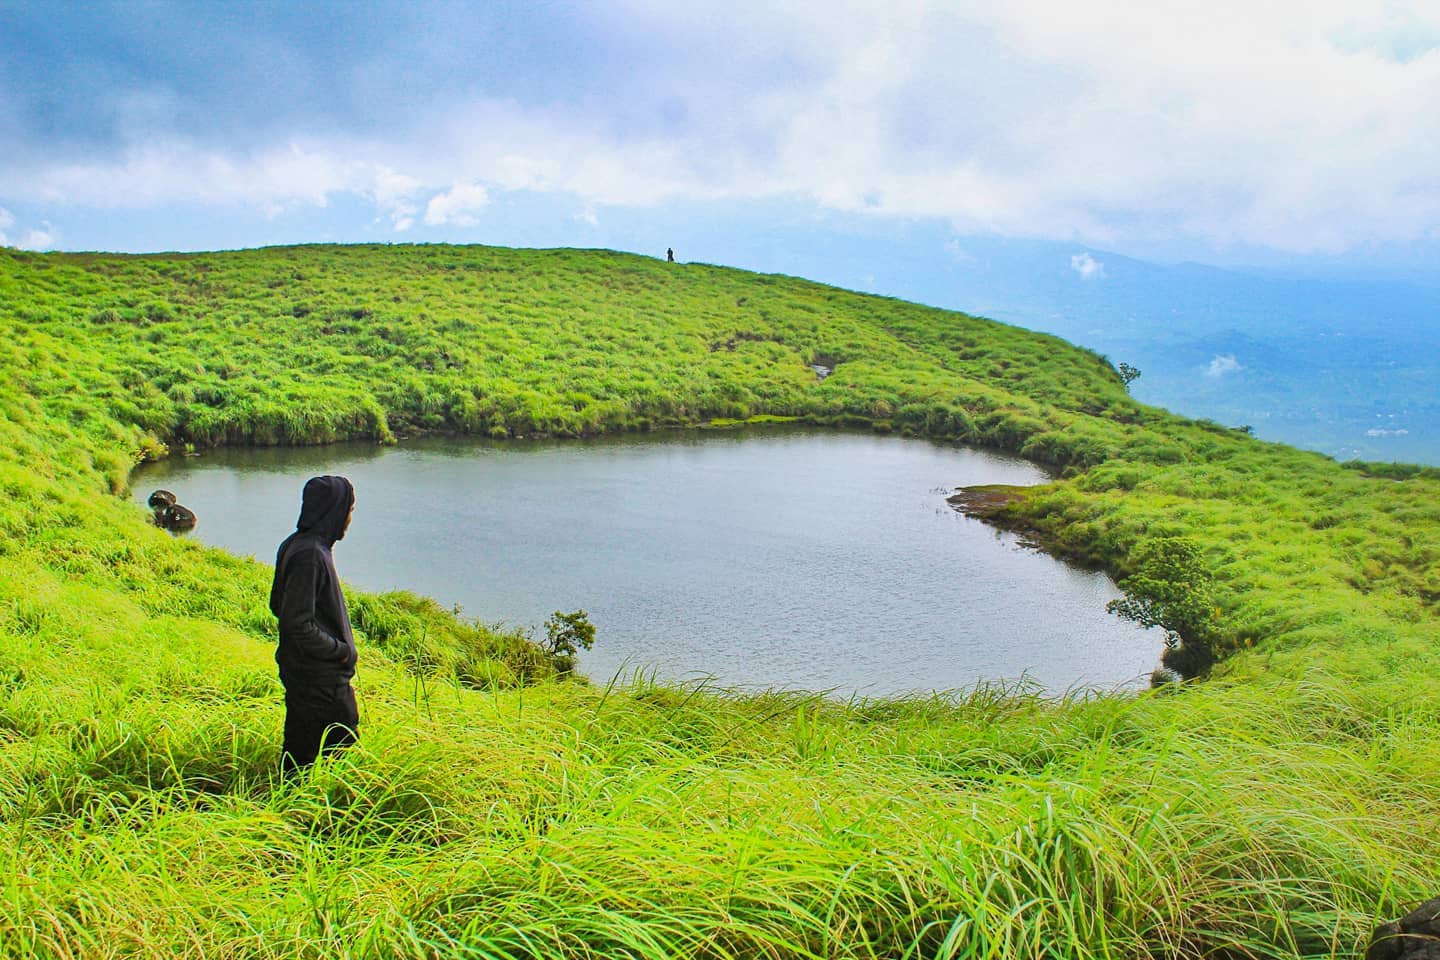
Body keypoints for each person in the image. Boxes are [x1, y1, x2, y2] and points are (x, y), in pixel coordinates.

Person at [270, 475, 359, 775]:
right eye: (348, 509)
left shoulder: (296, 545)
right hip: (321, 682)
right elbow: (297, 624)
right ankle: (324, 817)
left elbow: (277, 605)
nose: (349, 517)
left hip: (305, 677)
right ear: (333, 510)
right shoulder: (311, 555)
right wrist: (341, 651)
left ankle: (287, 812)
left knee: (299, 753)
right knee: (340, 756)